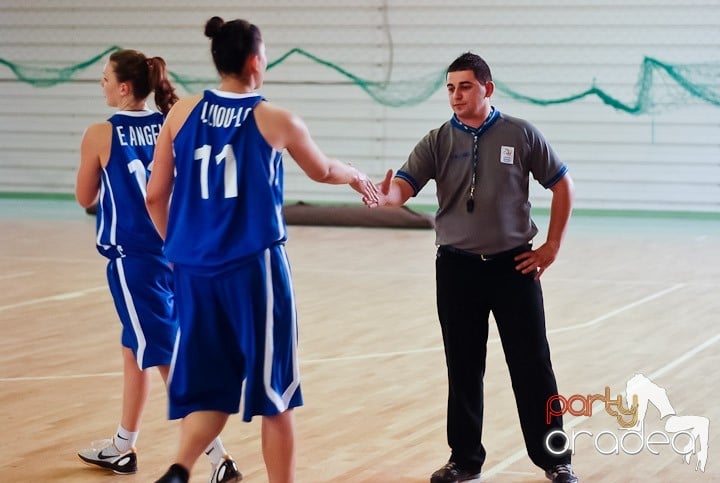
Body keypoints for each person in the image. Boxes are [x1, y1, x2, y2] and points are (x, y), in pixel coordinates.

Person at [145, 17, 379, 483]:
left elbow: (154, 195)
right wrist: (353, 172)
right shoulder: (274, 119)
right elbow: (321, 170)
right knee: (277, 396)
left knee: (212, 387)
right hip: (254, 269)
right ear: (255, 61)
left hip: (193, 268)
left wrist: (177, 249)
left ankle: (178, 469)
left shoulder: (180, 113)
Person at [365, 52, 578, 483]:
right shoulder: (438, 140)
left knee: (533, 365)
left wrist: (552, 245)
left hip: (514, 267)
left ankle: (555, 459)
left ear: (487, 88)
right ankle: (464, 461)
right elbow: (404, 186)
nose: (456, 96)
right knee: (463, 367)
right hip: (457, 271)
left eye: (465, 86)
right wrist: (385, 197)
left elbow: (562, 184)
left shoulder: (520, 134)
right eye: (450, 88)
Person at [75, 48, 241, 483]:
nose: (102, 83)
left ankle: (218, 459)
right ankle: (123, 446)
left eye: (105, 77)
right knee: (136, 350)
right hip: (179, 254)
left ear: (124, 87)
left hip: (135, 262)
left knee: (167, 360)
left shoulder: (100, 134)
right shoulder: (174, 124)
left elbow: (84, 198)